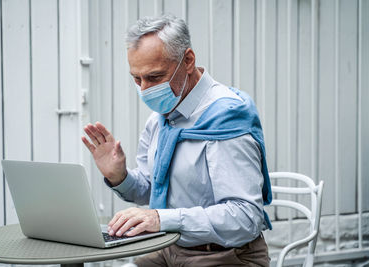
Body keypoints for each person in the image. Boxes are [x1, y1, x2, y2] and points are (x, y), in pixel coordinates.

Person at [82, 14, 271, 266]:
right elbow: (154, 190)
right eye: (136, 79)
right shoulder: (161, 115)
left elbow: (245, 217)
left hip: (223, 255)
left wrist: (161, 219)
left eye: (155, 77)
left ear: (188, 61)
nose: (145, 89)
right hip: (167, 246)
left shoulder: (225, 116)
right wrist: (120, 177)